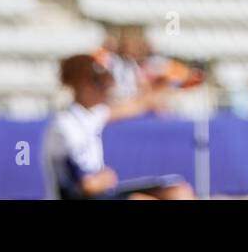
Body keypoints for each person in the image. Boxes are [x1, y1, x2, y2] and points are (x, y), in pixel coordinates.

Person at [42, 53, 193, 200]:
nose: (107, 86)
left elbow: (138, 105)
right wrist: (105, 178)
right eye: (99, 81)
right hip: (78, 196)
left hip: (101, 192)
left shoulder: (91, 115)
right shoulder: (65, 126)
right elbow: (88, 186)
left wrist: (164, 84)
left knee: (178, 192)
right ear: (82, 85)